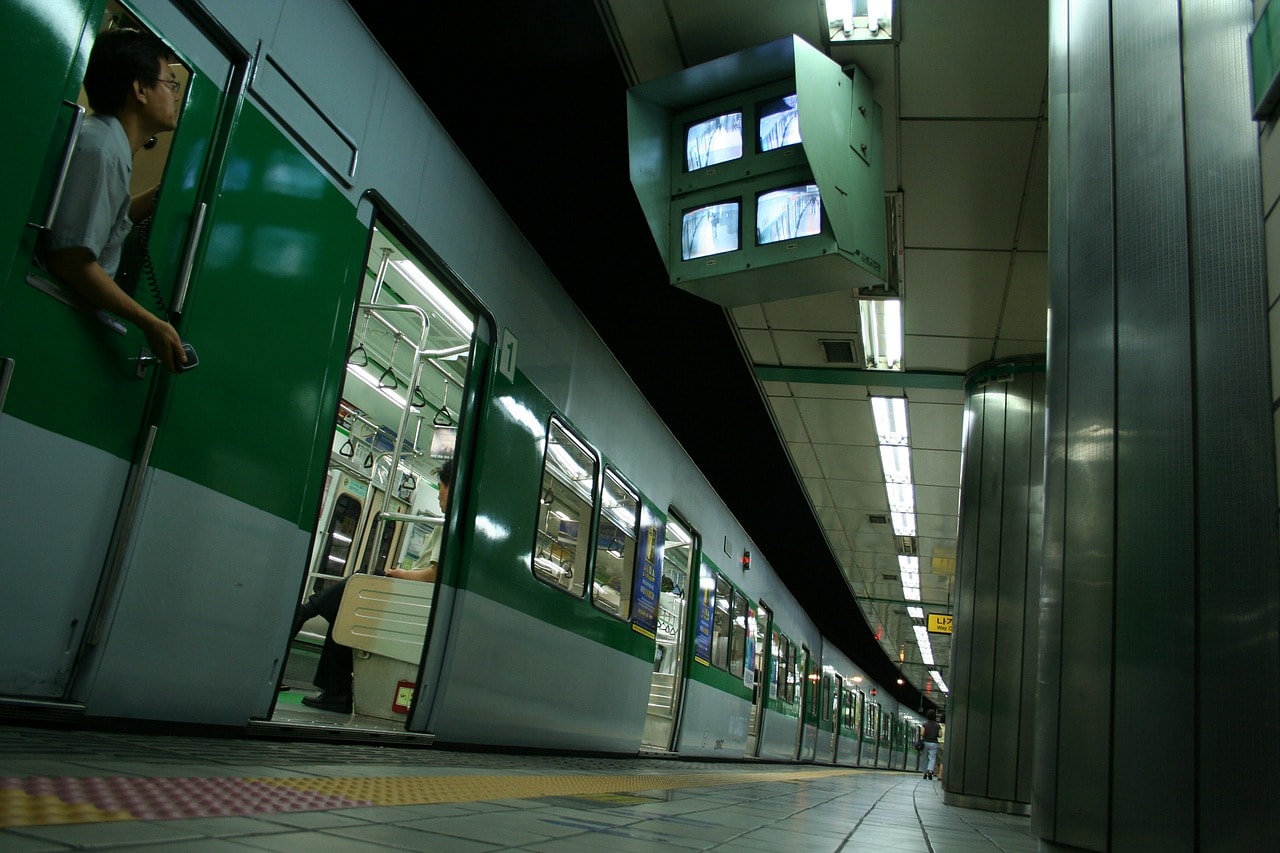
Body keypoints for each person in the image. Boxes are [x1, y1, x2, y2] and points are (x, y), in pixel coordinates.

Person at [41, 27, 187, 372]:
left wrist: (155, 197)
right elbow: (70, 260)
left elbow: (101, 223)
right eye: (170, 83)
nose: (176, 96)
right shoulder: (101, 149)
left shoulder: (108, 143)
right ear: (139, 89)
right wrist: (150, 322)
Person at [291, 457, 453, 713]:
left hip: (417, 602)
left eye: (441, 488)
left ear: (451, 487)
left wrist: (398, 574)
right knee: (348, 606)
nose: (438, 496)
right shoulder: (448, 525)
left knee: (357, 590)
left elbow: (433, 575)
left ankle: (306, 613)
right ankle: (336, 690)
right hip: (418, 599)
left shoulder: (450, 526)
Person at [922, 708, 942, 780]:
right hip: (934, 743)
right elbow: (940, 735)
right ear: (934, 716)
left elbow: (922, 733)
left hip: (926, 742)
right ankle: (930, 771)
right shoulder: (937, 726)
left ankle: (924, 772)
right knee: (932, 758)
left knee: (925, 757)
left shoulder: (925, 724)